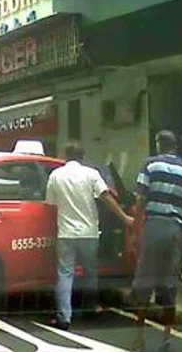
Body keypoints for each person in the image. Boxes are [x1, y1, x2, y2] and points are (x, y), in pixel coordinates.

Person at [46, 140, 135, 330]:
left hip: (66, 233)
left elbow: (50, 205)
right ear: (83, 156)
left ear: (65, 155)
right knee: (90, 274)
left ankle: (64, 316)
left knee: (65, 274)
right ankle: (88, 309)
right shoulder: (91, 174)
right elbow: (106, 197)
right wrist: (125, 217)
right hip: (89, 233)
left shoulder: (56, 175)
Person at [130, 130, 182, 352]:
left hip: (153, 227)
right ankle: (166, 337)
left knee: (144, 283)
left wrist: (134, 230)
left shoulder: (150, 165)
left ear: (159, 144)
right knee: (169, 285)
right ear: (175, 145)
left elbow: (141, 200)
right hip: (175, 230)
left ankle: (138, 339)